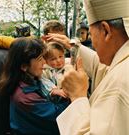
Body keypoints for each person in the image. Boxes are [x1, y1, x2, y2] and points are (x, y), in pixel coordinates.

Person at [44, 0, 129, 134]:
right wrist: (72, 46)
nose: (92, 41)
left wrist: (77, 96)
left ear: (106, 31)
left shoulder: (120, 85)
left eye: (90, 33)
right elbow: (102, 67)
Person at [0, 37, 69, 135]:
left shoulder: (29, 80)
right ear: (24, 66)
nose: (44, 62)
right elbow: (59, 115)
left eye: (43, 57)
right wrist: (74, 94)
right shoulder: (26, 97)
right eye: (39, 59)